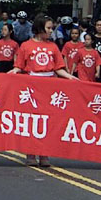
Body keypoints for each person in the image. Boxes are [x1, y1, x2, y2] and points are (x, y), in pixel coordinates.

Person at [9, 15, 77, 167]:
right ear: (40, 28)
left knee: (47, 121)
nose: (51, 31)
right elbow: (19, 67)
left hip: (49, 88)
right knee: (32, 121)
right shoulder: (26, 46)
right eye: (48, 28)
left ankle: (44, 153)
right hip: (32, 87)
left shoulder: (53, 47)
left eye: (52, 28)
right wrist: (5, 76)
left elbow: (58, 68)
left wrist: (70, 78)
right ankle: (30, 153)